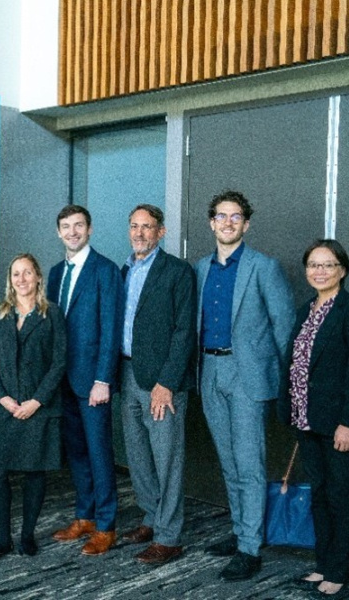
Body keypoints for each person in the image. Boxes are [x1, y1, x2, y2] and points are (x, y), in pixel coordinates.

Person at [195, 190, 295, 581]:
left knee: (250, 464)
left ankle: (250, 549)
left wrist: (290, 387)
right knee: (228, 460)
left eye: (236, 217)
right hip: (210, 370)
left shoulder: (263, 267)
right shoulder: (201, 268)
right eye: (221, 216)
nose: (228, 223)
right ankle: (241, 533)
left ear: (247, 224)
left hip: (248, 375)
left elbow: (284, 328)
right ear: (211, 222)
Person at [119, 205, 196, 565]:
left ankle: (169, 537)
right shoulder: (125, 270)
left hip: (161, 383)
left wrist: (167, 383)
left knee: (167, 461)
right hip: (128, 373)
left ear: (160, 232)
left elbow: (184, 332)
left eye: (147, 227)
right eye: (134, 226)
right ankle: (151, 517)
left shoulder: (178, 272)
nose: (139, 233)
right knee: (138, 457)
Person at [47, 205, 123, 556]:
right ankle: (85, 517)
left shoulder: (105, 270)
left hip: (92, 381)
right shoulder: (54, 272)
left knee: (99, 452)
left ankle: (106, 526)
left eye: (79, 225)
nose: (73, 232)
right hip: (62, 380)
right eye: (66, 226)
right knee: (76, 452)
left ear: (90, 230)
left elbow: (111, 330)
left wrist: (103, 379)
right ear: (59, 232)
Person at [0, 253, 66, 562]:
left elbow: (59, 362)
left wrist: (36, 401)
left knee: (34, 472)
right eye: (16, 274)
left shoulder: (51, 314)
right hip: (3, 407)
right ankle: (3, 538)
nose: (22, 279)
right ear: (10, 280)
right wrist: (2, 397)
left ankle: (27, 536)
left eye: (27, 273)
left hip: (38, 407)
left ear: (38, 277)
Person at [279, 239, 349, 598]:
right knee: (319, 494)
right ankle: (324, 562)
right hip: (305, 419)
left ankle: (339, 568)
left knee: (341, 496)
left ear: (342, 270)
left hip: (337, 424)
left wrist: (347, 422)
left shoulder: (347, 309)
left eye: (328, 265)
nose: (319, 271)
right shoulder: (306, 309)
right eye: (313, 265)